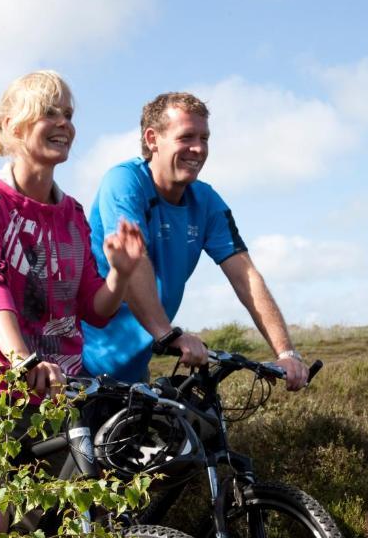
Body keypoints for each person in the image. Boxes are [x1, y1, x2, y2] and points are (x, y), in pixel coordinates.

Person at [0, 70, 145, 538]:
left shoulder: (72, 214)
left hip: (59, 398)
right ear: (11, 125)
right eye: (50, 112)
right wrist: (22, 359)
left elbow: (93, 308)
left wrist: (119, 275)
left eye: (69, 114)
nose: (64, 124)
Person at [82, 92, 309, 390]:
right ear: (152, 139)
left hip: (133, 368)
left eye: (205, 138)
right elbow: (135, 261)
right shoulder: (124, 181)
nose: (198, 148)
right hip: (78, 362)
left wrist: (285, 352)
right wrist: (168, 334)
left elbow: (246, 276)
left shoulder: (206, 200)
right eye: (186, 136)